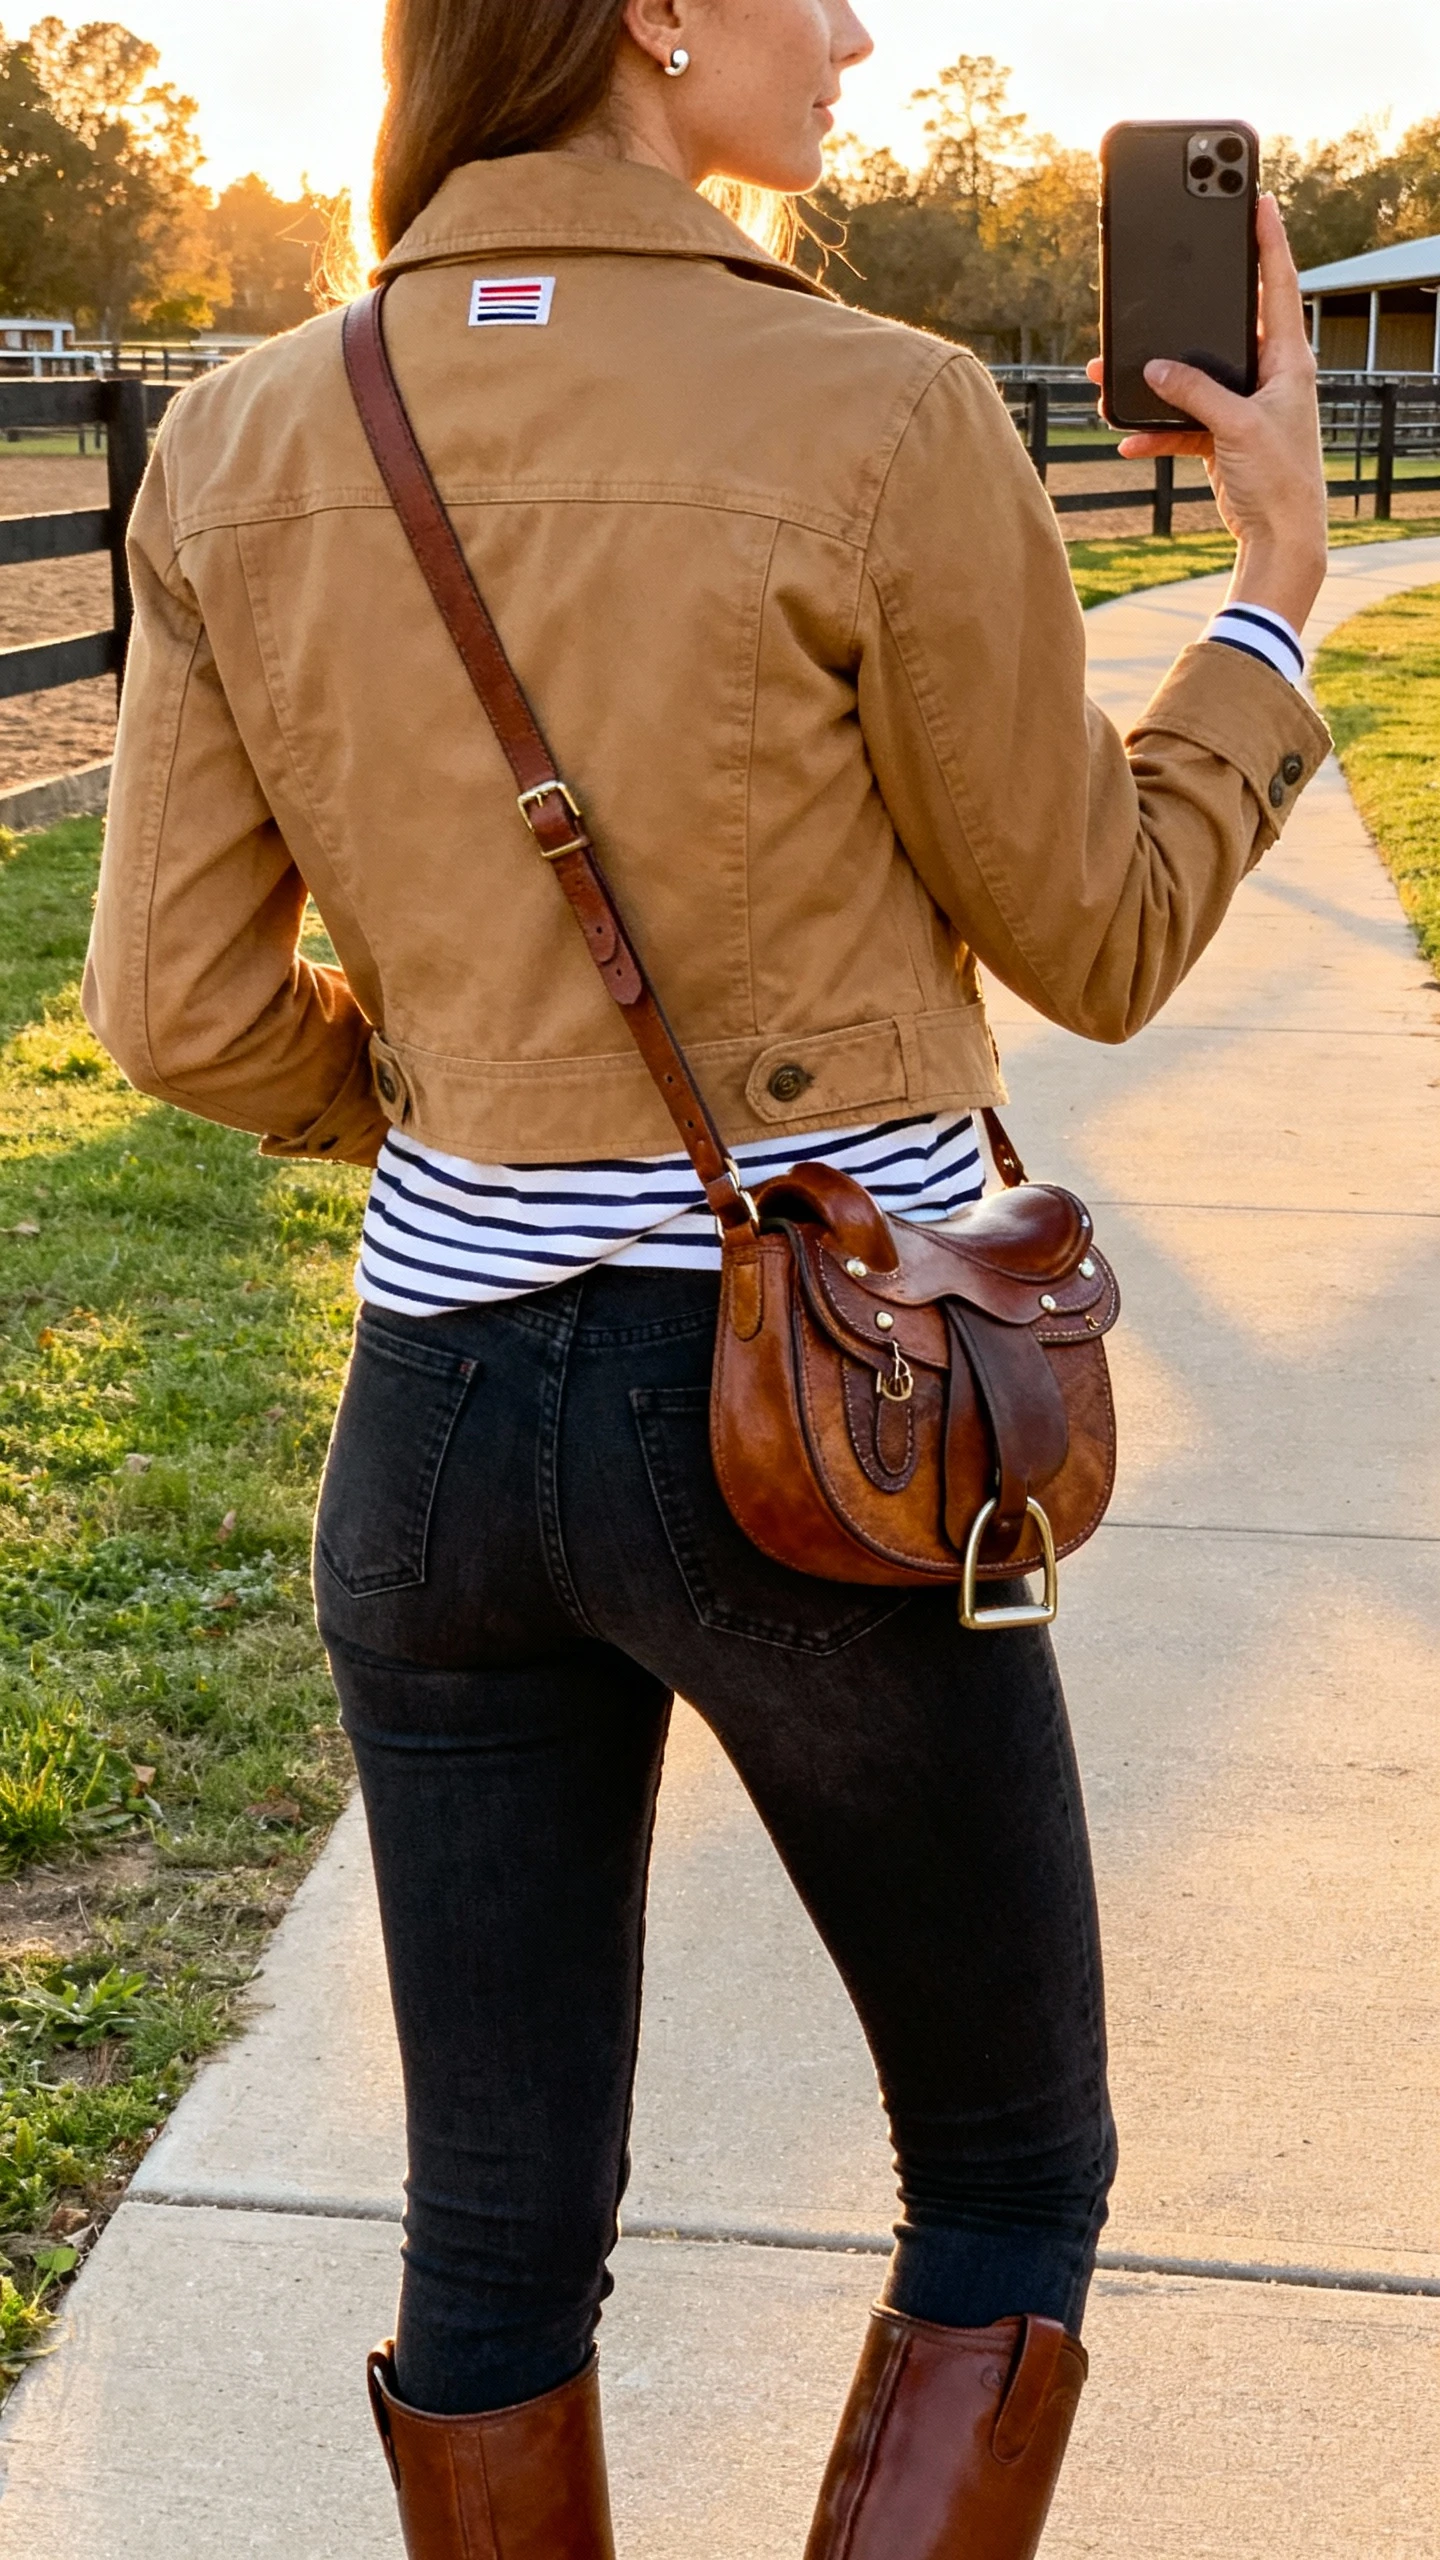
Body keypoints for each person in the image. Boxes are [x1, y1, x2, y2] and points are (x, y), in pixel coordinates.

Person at [82, 2, 1330, 2551]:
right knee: (1004, 2165)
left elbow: (178, 1013)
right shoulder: (872, 408)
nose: (861, 30)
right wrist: (1276, 590)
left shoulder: (242, 432)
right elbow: (1093, 931)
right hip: (826, 1426)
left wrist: (465, 1109)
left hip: (431, 1427)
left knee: (500, 2226)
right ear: (655, 10)